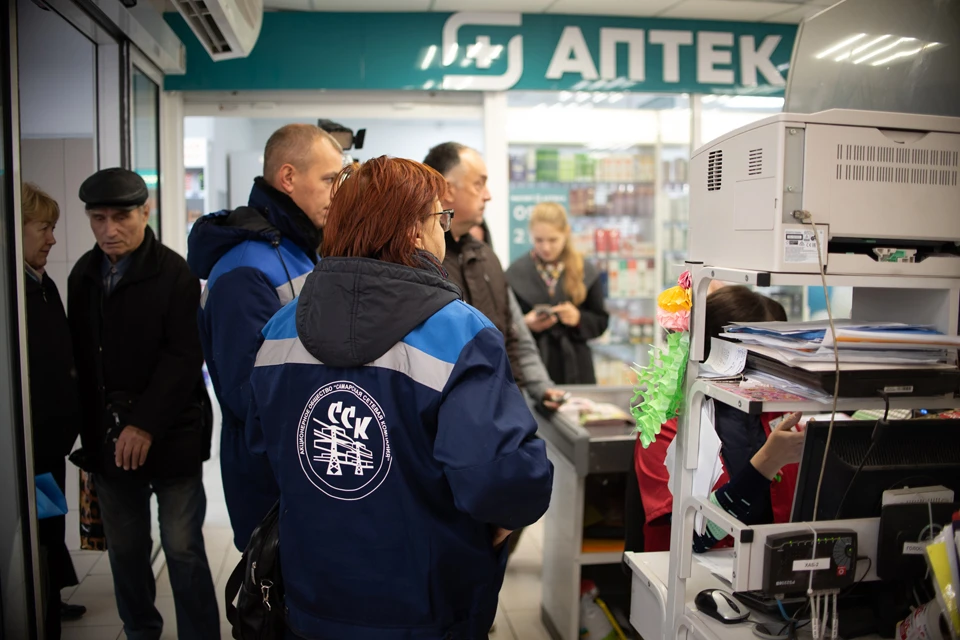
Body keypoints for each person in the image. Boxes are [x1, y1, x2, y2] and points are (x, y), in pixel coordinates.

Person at [247, 156, 554, 639]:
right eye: (440, 219)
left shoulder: (280, 330)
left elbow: (264, 449)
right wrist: (507, 515)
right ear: (412, 231)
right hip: (426, 600)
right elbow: (499, 478)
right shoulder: (460, 333)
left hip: (312, 591)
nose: (445, 233)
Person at [68, 168, 219, 640]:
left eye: (121, 217)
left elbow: (183, 358)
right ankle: (140, 633)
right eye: (98, 218)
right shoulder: (84, 276)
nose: (109, 230)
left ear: (145, 211)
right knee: (127, 552)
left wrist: (145, 425)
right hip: (110, 444)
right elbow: (83, 361)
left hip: (170, 434)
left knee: (183, 549)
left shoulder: (174, 273)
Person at [187, 124, 343, 551]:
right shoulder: (246, 268)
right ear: (288, 178)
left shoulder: (298, 249)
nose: (338, 194)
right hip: (268, 479)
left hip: (304, 464)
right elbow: (249, 396)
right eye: (330, 180)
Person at [632, 286, 805, 553]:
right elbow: (691, 537)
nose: (774, 367)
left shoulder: (772, 412)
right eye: (762, 356)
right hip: (684, 576)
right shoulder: (666, 425)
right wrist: (767, 463)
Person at [21, 182, 84, 638]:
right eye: (44, 228)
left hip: (50, 443)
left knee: (50, 525)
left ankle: (50, 597)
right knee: (36, 536)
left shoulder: (41, 285)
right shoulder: (15, 293)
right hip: (27, 445)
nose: (52, 239)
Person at [506, 202, 609, 385]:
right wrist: (525, 324)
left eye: (553, 240)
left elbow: (601, 321)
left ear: (566, 233)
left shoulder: (585, 270)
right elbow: (504, 323)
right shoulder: (515, 273)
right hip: (533, 365)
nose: (546, 247)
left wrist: (578, 319)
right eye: (539, 240)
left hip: (577, 367)